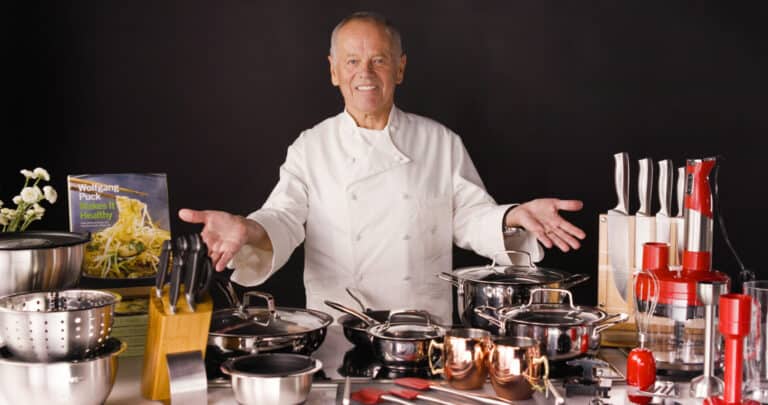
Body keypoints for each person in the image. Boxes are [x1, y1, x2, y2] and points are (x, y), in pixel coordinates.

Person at [179, 11, 585, 325]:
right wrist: (248, 228)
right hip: (340, 332)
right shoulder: (311, 147)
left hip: (424, 334)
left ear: (401, 67)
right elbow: (284, 217)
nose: (365, 74)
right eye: (352, 61)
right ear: (334, 70)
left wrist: (512, 216)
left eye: (379, 60)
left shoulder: (439, 142)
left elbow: (470, 217)